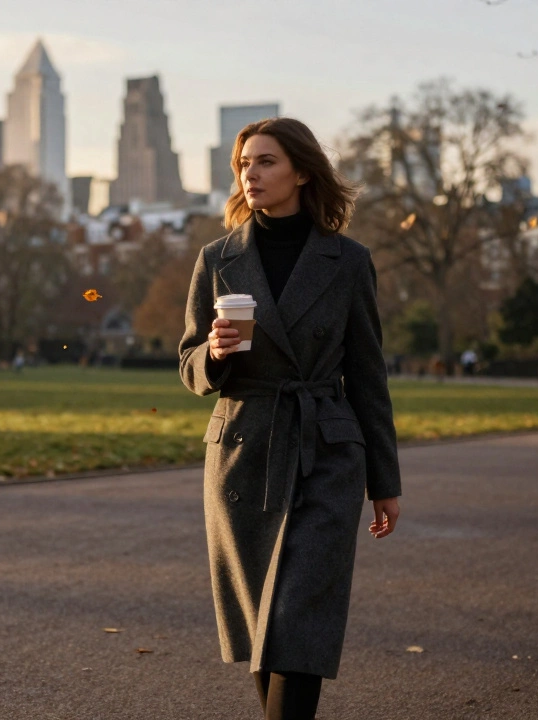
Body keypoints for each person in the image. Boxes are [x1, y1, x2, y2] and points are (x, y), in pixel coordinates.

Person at [178, 117, 402, 720]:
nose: (250, 174)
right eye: (244, 164)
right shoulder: (217, 258)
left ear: (302, 171)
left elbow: (369, 375)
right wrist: (216, 355)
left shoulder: (348, 262)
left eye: (266, 162)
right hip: (243, 450)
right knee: (263, 621)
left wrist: (384, 482)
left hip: (325, 449)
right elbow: (188, 364)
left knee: (300, 615)